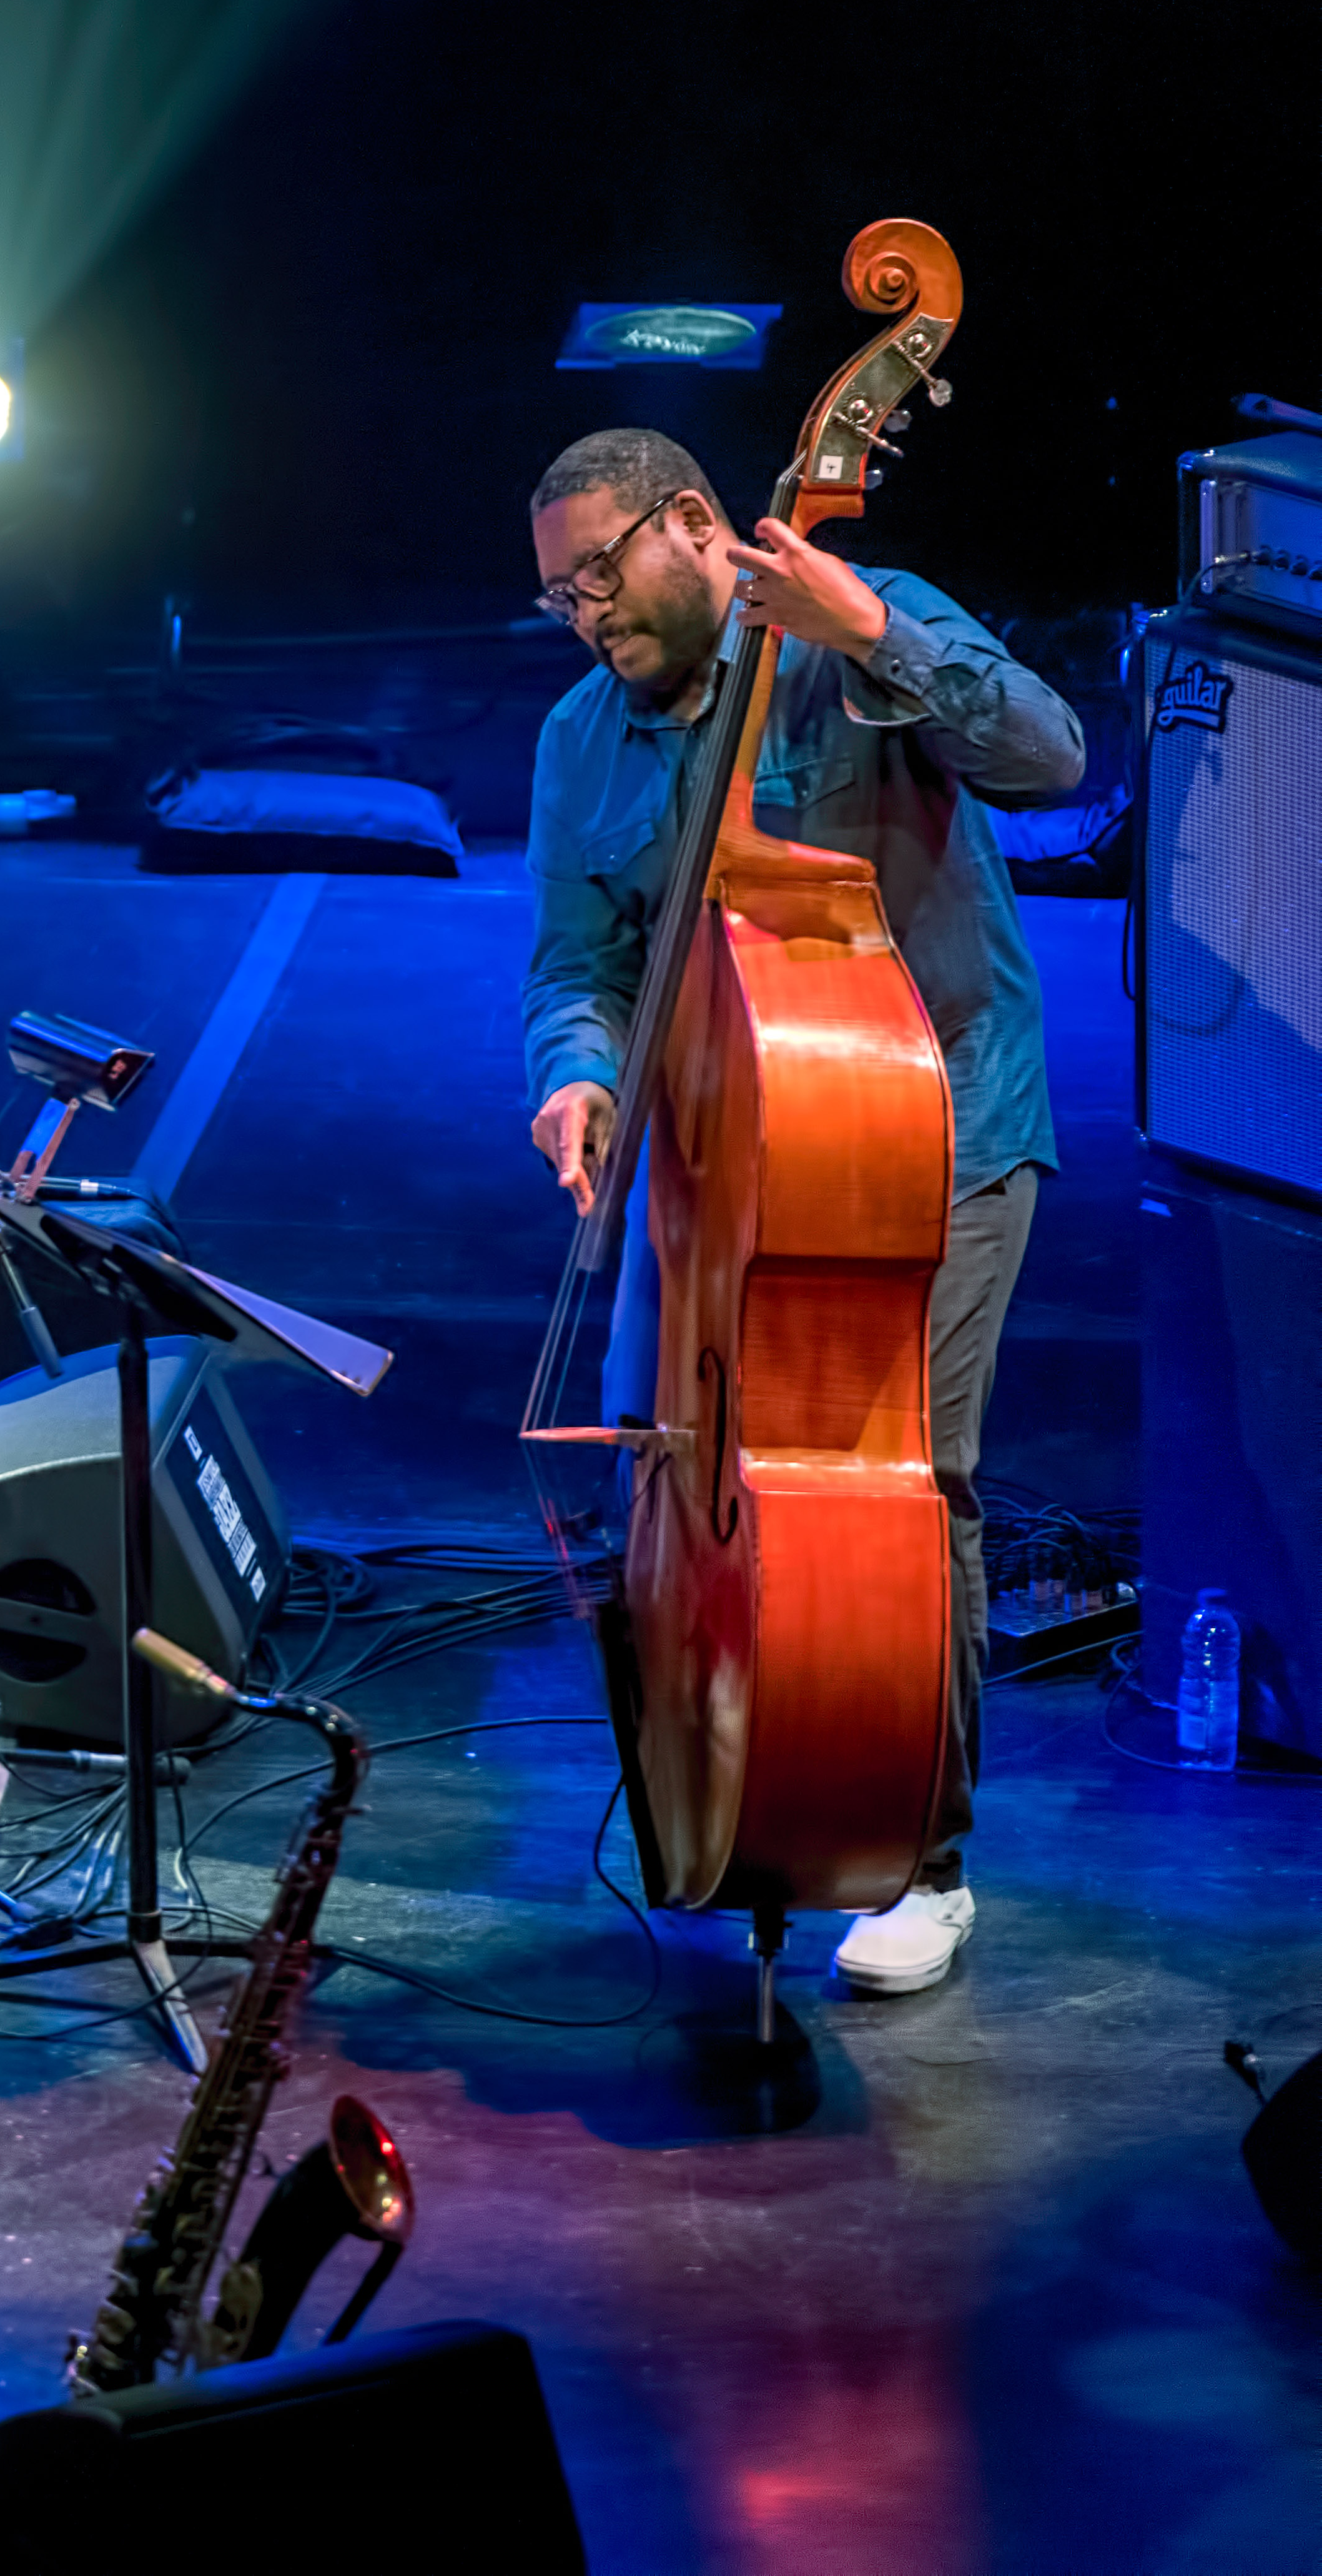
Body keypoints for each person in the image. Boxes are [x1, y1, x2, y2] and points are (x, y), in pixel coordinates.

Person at [520, 427, 1083, 1999]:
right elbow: (577, 964)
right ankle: (724, 1790)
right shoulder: (582, 736)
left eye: (598, 576)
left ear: (693, 524)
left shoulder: (854, 617)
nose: (583, 616)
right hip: (715, 1159)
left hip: (928, 1129)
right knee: (666, 1464)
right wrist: (571, 1077)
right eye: (557, 596)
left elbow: (1051, 756)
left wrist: (870, 636)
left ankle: (919, 1851)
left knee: (908, 1483)